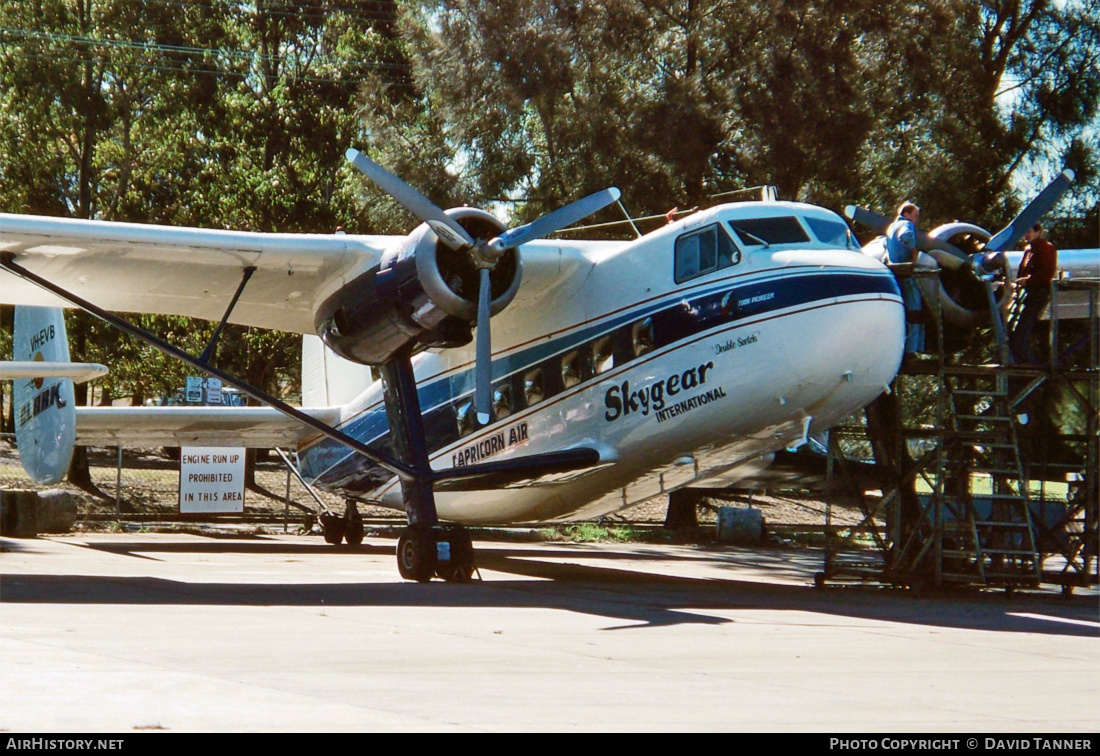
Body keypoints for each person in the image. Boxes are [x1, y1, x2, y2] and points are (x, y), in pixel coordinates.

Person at [1010, 222, 1058, 364]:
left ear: (1038, 232)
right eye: (1025, 232)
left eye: (1030, 232)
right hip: (1027, 293)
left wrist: (1028, 280)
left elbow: (1046, 273)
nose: (1026, 235)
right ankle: (1021, 360)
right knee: (1017, 330)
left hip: (1038, 293)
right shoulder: (1029, 250)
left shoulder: (1046, 248)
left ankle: (1028, 363)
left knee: (1022, 332)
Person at [884, 202, 925, 353]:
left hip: (894, 273)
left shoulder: (890, 227)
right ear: (906, 214)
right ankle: (912, 350)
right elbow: (906, 236)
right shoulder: (906, 224)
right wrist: (914, 252)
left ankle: (901, 350)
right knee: (915, 310)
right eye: (916, 216)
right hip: (906, 273)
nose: (917, 220)